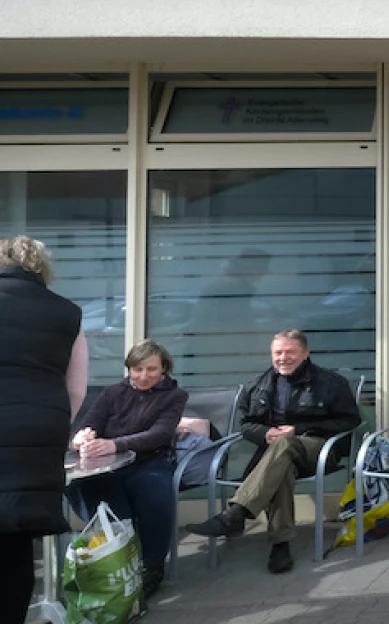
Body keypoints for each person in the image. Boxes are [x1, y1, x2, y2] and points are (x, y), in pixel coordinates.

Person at [186, 330, 360, 574]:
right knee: (282, 468)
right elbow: (246, 424)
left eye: (290, 352)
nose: (283, 358)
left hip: (318, 450)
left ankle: (237, 512)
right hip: (276, 456)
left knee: (284, 444)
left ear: (305, 353)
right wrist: (264, 434)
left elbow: (349, 421)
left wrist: (297, 429)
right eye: (278, 352)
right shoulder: (259, 385)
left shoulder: (331, 383)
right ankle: (280, 547)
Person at [0, 235, 88, 624]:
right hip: (38, 432)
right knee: (16, 539)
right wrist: (49, 427)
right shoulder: (66, 312)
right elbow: (75, 388)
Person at [67, 340, 188, 599]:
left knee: (154, 494)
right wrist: (82, 438)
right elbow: (91, 423)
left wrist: (114, 443)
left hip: (150, 460)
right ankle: (119, 557)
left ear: (164, 369)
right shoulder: (112, 393)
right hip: (107, 465)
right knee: (86, 488)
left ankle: (153, 566)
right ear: (129, 368)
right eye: (137, 369)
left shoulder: (175, 396)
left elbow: (159, 434)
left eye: (151, 370)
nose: (143, 376)